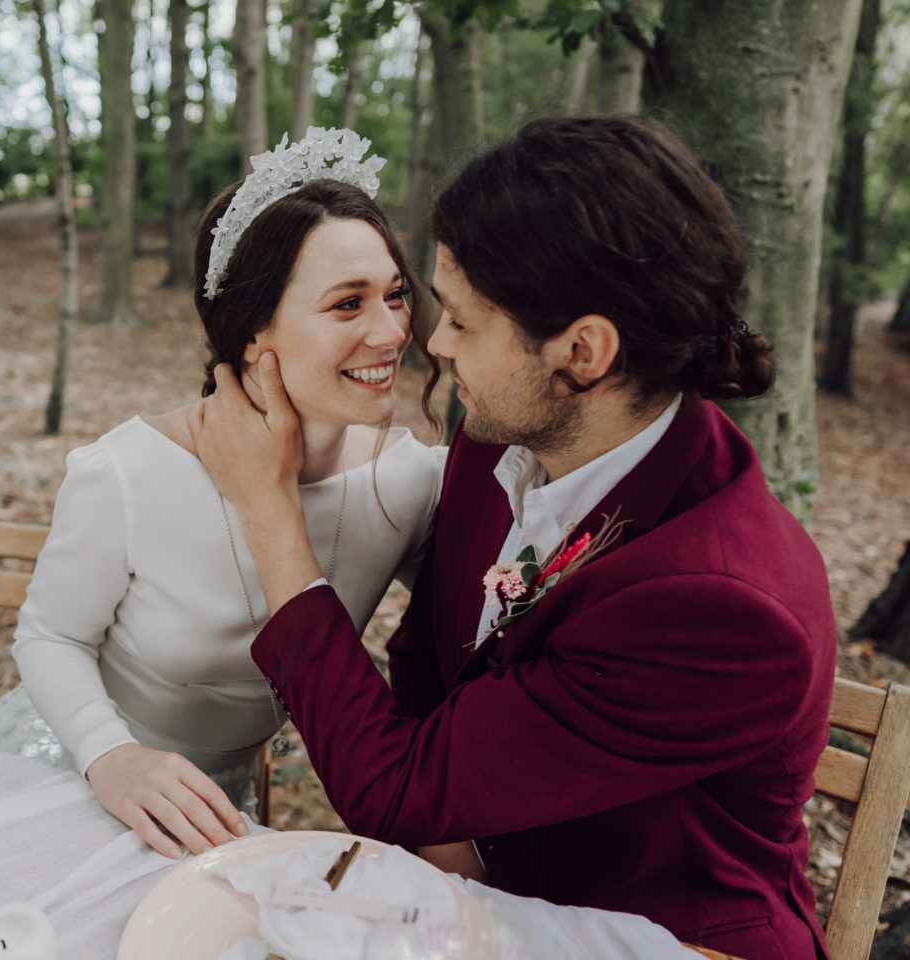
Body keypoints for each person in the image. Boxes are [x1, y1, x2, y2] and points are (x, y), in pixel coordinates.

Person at [190, 115, 837, 960]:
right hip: (472, 889)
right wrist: (444, 835)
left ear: (584, 350)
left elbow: (394, 787)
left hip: (658, 935)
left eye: (462, 319)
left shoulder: (721, 604)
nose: (432, 340)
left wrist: (268, 511)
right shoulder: (502, 435)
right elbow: (428, 661)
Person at [0, 128, 446, 860]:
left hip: (215, 821)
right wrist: (110, 758)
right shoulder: (127, 470)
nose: (392, 332)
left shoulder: (410, 482)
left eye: (396, 296)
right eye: (348, 305)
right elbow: (50, 635)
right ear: (253, 333)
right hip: (68, 773)